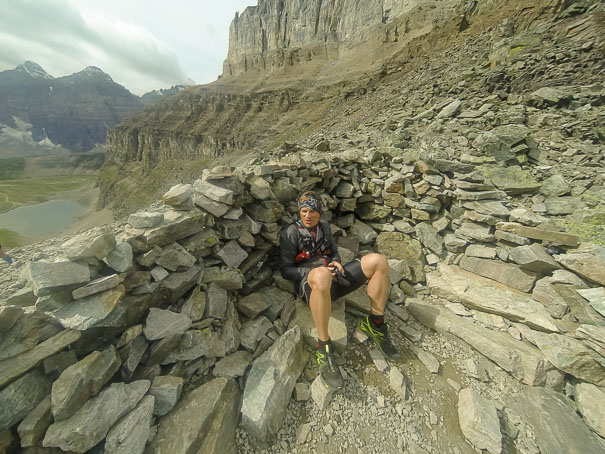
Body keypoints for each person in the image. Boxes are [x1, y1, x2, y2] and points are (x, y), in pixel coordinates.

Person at [279, 192, 400, 389]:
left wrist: (336, 261)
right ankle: (324, 347)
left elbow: (333, 252)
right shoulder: (290, 233)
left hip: (335, 279)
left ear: (320, 213)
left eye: (313, 212)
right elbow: (286, 270)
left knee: (378, 261)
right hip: (311, 286)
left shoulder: (324, 227)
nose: (308, 215)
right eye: (304, 211)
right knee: (321, 276)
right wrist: (316, 270)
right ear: (299, 212)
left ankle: (376, 323)